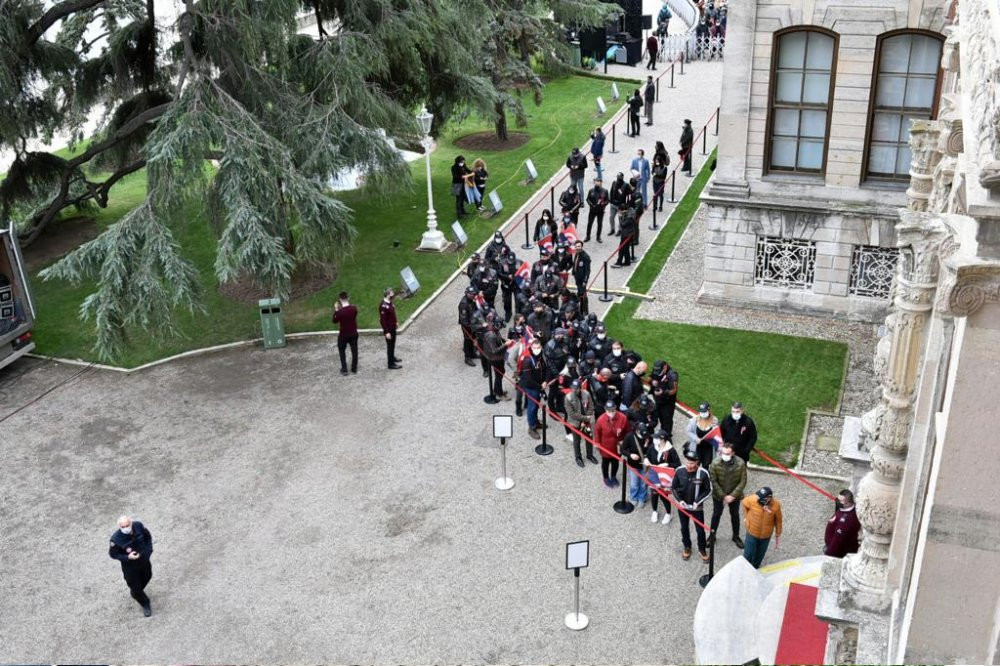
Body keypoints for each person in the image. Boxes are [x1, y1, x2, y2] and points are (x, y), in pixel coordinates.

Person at [108, 515, 154, 617]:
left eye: (127, 525)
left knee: (148, 576)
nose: (125, 528)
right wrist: (127, 557)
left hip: (143, 560)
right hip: (130, 567)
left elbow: (147, 537)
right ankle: (145, 603)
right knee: (135, 587)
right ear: (119, 527)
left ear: (131, 523)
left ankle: (136, 593)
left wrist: (148, 551)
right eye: (122, 527)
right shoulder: (115, 539)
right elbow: (113, 554)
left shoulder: (139, 526)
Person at [671, 450, 712, 561]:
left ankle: (702, 549)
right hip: (683, 506)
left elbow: (708, 490)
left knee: (700, 530)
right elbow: (673, 487)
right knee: (684, 528)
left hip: (697, 508)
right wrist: (680, 501)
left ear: (697, 463)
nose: (689, 465)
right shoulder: (679, 471)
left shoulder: (703, 473)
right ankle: (687, 547)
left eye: (692, 463)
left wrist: (697, 501)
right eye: (688, 463)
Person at [709, 442, 747, 547]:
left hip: (734, 496)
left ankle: (736, 536)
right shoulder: (715, 463)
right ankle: (712, 536)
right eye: (723, 453)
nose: (724, 455)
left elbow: (743, 481)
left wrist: (732, 495)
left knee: (735, 515)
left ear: (733, 453)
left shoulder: (740, 463)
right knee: (716, 515)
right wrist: (724, 496)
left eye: (727, 453)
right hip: (718, 495)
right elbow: (713, 481)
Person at [742, 486, 783, 568]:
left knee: (759, 555)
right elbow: (744, 503)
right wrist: (747, 518)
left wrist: (778, 534)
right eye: (759, 496)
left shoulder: (776, 505)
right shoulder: (752, 499)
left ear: (769, 498)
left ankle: (755, 568)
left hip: (765, 536)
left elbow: (778, 520)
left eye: (762, 497)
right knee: (748, 554)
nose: (758, 498)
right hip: (751, 532)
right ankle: (745, 569)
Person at [645, 430, 681, 524]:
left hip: (665, 477)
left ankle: (668, 513)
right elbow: (647, 455)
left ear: (662, 439)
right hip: (654, 474)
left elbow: (678, 464)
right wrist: (646, 460)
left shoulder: (671, 450)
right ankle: (654, 511)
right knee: (654, 494)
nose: (654, 439)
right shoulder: (653, 447)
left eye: (656, 438)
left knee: (664, 496)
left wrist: (667, 464)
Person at [594, 400, 630, 488]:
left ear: (616, 409)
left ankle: (613, 476)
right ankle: (606, 478)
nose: (611, 413)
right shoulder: (600, 420)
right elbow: (597, 433)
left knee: (615, 463)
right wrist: (597, 443)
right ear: (605, 410)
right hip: (605, 447)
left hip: (617, 447)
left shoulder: (623, 418)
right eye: (609, 411)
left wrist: (625, 443)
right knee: (605, 463)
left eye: (613, 410)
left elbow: (627, 432)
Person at [565, 378, 597, 467]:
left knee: (589, 438)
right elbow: (572, 414)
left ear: (580, 388)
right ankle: (578, 457)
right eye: (573, 388)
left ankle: (589, 455)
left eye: (577, 388)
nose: (575, 390)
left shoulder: (586, 394)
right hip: (575, 423)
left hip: (586, 421)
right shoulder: (568, 398)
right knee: (576, 440)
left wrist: (587, 419)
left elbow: (591, 406)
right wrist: (584, 419)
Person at [824, 489, 861, 558]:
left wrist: (827, 554)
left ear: (848, 503)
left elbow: (837, 541)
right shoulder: (849, 508)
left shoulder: (846, 521)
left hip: (838, 553)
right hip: (839, 547)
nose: (837, 502)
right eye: (837, 499)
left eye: (840, 501)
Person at [622, 421, 651, 506]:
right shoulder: (630, 436)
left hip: (645, 466)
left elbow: (651, 449)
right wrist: (630, 455)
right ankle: (633, 497)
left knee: (643, 483)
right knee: (634, 483)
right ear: (637, 431)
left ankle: (642, 498)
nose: (644, 437)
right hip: (633, 465)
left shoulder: (648, 437)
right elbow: (622, 450)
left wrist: (646, 451)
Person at [483, 314, 510, 402]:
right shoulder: (491, 335)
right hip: (494, 358)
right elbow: (494, 350)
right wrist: (505, 345)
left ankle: (498, 390)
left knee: (500, 373)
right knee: (499, 375)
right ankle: (499, 393)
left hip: (497, 356)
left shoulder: (494, 330)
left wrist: (504, 340)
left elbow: (499, 337)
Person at [331, 291, 359, 375]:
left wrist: (336, 310)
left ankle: (344, 368)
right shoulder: (354, 309)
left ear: (340, 300)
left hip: (343, 334)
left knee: (341, 350)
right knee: (354, 350)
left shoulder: (340, 312)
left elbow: (334, 320)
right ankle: (354, 368)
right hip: (353, 332)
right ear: (348, 298)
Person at [650, 360, 678, 436]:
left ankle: (667, 436)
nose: (657, 372)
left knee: (667, 420)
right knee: (660, 416)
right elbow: (652, 376)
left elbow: (674, 390)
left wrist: (663, 392)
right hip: (658, 399)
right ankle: (663, 430)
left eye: (659, 371)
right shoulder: (656, 369)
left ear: (665, 367)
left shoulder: (672, 375)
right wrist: (652, 381)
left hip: (668, 403)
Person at [686, 401, 719, 469]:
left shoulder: (714, 420)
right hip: (697, 446)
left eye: (704, 412)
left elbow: (717, 433)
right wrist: (696, 439)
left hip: (708, 448)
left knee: (706, 464)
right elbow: (688, 431)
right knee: (695, 463)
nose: (703, 414)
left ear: (709, 410)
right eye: (701, 412)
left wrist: (715, 427)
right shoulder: (694, 420)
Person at [378, 287, 402, 370]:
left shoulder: (390, 302)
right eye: (392, 293)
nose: (393, 294)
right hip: (388, 329)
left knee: (393, 344)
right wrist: (386, 332)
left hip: (392, 327)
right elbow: (382, 320)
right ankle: (390, 363)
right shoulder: (383, 306)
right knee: (390, 345)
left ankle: (392, 357)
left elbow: (392, 314)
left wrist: (396, 321)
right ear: (388, 295)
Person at [458, 285, 479, 366]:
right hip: (467, 326)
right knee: (467, 340)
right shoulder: (464, 304)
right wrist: (472, 326)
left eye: (473, 294)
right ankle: (467, 358)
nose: (473, 295)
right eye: (471, 294)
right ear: (466, 293)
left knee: (473, 339)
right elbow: (464, 320)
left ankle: (472, 353)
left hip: (472, 324)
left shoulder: (472, 300)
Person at [584, 178, 608, 242]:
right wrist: (591, 205)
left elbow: (607, 200)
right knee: (589, 223)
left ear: (601, 183)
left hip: (600, 210)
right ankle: (588, 236)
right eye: (596, 181)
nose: (597, 183)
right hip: (592, 210)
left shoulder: (605, 191)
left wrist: (603, 204)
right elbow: (587, 199)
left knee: (599, 224)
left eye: (598, 181)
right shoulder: (591, 190)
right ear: (594, 182)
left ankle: (598, 237)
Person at [571, 240, 591, 312]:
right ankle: (581, 308)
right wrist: (573, 272)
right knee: (580, 292)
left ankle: (584, 310)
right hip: (577, 278)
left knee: (583, 294)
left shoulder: (585, 257)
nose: (577, 248)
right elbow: (575, 263)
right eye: (576, 246)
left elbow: (587, 271)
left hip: (582, 279)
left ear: (582, 247)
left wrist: (585, 280)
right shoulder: (577, 253)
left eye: (579, 246)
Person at [608, 172, 628, 236]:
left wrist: (626, 204)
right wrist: (610, 202)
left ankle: (620, 230)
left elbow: (628, 195)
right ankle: (612, 229)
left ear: (622, 178)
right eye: (617, 177)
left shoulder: (625, 185)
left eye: (619, 177)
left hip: (620, 205)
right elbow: (611, 192)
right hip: (613, 204)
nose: (618, 178)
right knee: (611, 217)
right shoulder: (614, 183)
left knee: (620, 219)